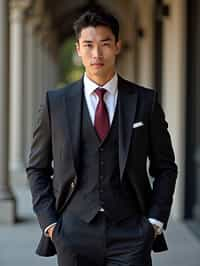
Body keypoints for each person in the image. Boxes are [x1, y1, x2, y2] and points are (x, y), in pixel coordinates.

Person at [26, 8, 178, 266]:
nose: (96, 54)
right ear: (77, 49)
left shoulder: (145, 101)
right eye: (88, 45)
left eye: (105, 44)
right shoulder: (56, 103)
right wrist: (51, 224)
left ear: (117, 46)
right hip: (72, 233)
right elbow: (37, 168)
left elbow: (165, 167)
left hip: (131, 232)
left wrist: (154, 222)